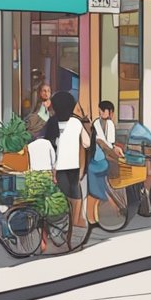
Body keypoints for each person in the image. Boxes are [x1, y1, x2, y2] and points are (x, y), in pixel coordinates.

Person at [51, 91, 91, 229]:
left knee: (63, 193)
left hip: (58, 167)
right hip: (74, 165)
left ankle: (64, 221)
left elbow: (49, 144)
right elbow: (87, 143)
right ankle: (76, 220)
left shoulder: (52, 122)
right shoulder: (76, 123)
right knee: (75, 190)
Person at [87, 101, 124, 224]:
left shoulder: (109, 124)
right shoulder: (96, 123)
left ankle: (113, 208)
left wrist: (113, 149)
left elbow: (110, 144)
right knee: (101, 187)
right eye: (101, 110)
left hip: (103, 159)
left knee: (100, 186)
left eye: (104, 110)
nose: (101, 112)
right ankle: (115, 208)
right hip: (97, 158)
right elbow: (104, 143)